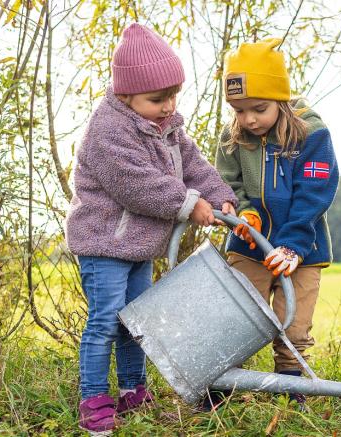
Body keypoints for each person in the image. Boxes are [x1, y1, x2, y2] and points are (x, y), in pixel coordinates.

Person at [65, 23, 237, 435]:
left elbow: (193, 165)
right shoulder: (107, 130)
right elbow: (135, 183)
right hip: (105, 243)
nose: (167, 105)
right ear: (125, 94)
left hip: (139, 246)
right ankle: (93, 399)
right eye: (156, 99)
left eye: (172, 96)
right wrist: (188, 204)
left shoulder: (168, 126)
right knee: (105, 320)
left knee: (137, 321)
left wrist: (218, 196)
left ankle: (132, 391)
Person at [215, 38, 340, 406]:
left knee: (294, 323)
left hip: (302, 248)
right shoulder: (234, 135)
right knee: (239, 316)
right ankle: (219, 386)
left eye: (259, 108)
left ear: (281, 98)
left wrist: (293, 245)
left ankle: (291, 388)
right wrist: (242, 212)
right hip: (250, 245)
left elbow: (314, 194)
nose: (248, 119)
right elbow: (226, 182)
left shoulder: (312, 134)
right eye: (238, 110)